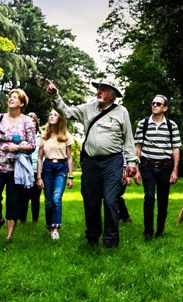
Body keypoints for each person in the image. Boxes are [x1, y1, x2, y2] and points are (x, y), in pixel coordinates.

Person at [45, 78, 138, 248]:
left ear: (112, 95)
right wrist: (56, 95)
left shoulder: (121, 112)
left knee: (110, 200)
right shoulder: (88, 108)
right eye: (99, 88)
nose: (99, 91)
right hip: (90, 162)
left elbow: (128, 138)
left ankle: (110, 240)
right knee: (91, 201)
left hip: (112, 162)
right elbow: (66, 111)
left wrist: (132, 161)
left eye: (104, 89)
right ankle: (92, 237)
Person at [0, 89, 36, 242]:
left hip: (16, 168)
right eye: (10, 97)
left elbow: (32, 146)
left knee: (13, 201)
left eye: (15, 98)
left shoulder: (27, 121)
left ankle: (9, 236)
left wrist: (16, 147)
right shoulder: (0, 118)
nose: (11, 99)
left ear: (22, 103)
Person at [133, 94, 181, 240]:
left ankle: (160, 230)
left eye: (158, 104)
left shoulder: (172, 126)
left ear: (165, 108)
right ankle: (148, 231)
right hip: (147, 165)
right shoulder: (143, 123)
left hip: (165, 167)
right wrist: (136, 169)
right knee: (149, 197)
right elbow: (138, 146)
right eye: (153, 103)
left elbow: (176, 148)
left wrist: (175, 170)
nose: (154, 105)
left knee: (163, 200)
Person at [36, 109, 74, 240]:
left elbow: (69, 157)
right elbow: (40, 158)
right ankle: (49, 224)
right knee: (48, 201)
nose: (51, 116)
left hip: (61, 168)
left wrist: (71, 176)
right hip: (47, 167)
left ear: (61, 118)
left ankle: (55, 228)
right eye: (50, 114)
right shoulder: (44, 136)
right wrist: (39, 177)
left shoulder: (65, 136)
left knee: (56, 198)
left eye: (55, 115)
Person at [19, 112, 43, 224]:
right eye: (28, 120)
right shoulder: (21, 135)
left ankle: (35, 220)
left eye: (33, 120)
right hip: (24, 168)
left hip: (36, 169)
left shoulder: (41, 136)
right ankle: (22, 219)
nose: (31, 122)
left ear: (36, 123)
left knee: (35, 196)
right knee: (24, 196)